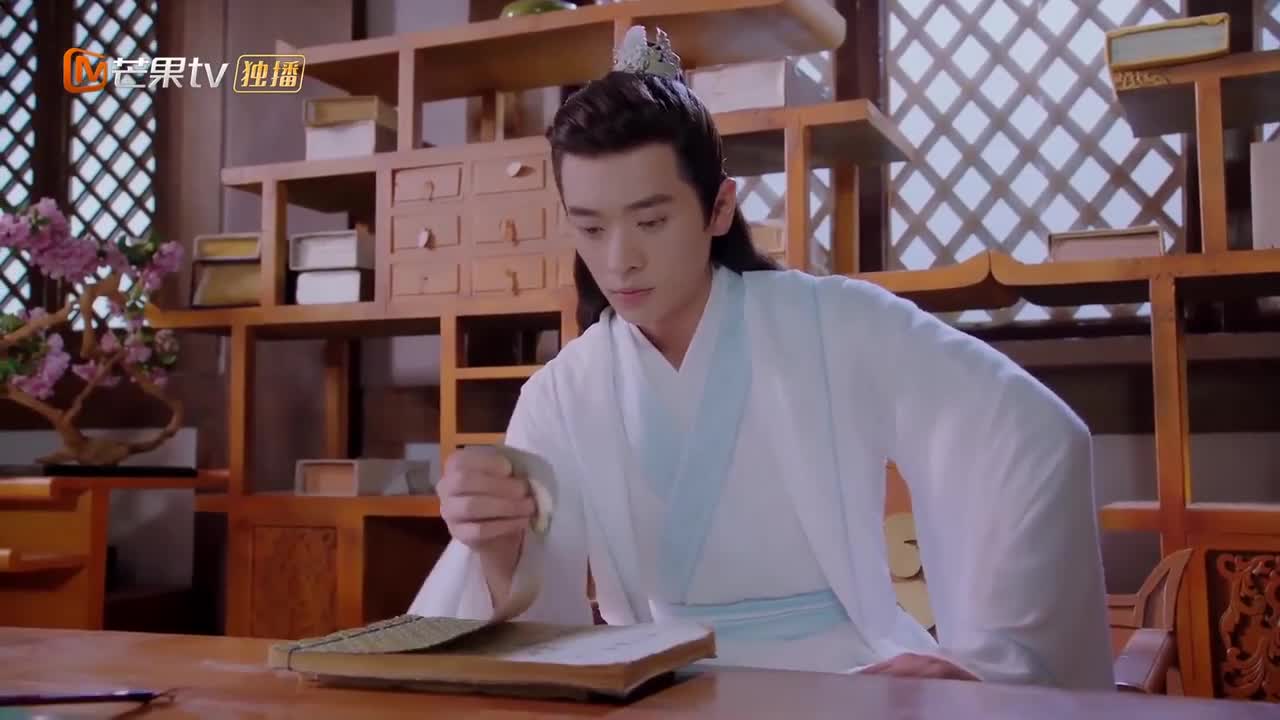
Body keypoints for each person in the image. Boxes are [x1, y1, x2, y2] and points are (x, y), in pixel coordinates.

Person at [409, 26, 1114, 689]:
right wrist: (496, 543)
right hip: (654, 687)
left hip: (842, 680)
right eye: (591, 229)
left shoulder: (837, 322)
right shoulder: (564, 391)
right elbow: (538, 617)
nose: (619, 260)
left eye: (651, 221)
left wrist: (987, 660)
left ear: (719, 209)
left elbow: (1035, 437)